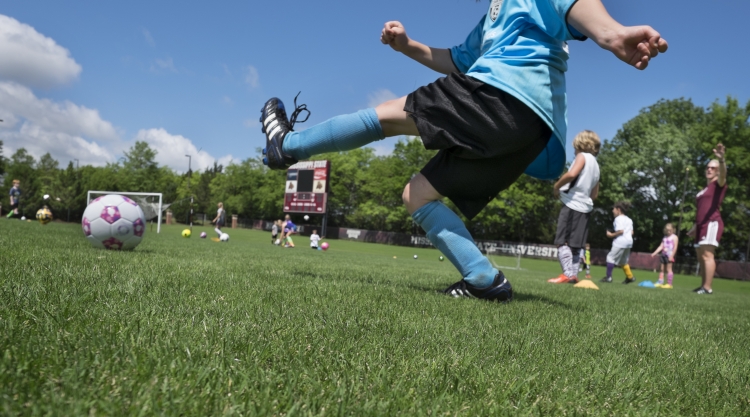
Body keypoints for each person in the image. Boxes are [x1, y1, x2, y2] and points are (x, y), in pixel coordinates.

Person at [259, 0, 667, 302]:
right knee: (416, 195)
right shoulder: (491, 18)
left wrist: (611, 34)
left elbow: (574, 4)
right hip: (523, 134)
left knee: (383, 117)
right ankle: (484, 280)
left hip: (502, 95)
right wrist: (406, 45)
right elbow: (457, 60)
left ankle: (286, 146)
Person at [548, 130, 601, 284]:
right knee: (577, 245)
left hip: (572, 205)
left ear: (580, 144)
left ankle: (567, 274)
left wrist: (557, 187)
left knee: (562, 241)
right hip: (585, 208)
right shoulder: (596, 165)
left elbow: (572, 174)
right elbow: (595, 194)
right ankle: (574, 275)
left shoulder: (582, 157)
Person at [687, 143, 727, 295]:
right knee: (700, 256)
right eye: (708, 167)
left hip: (712, 223)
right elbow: (701, 210)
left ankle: (707, 288)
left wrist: (721, 160)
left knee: (707, 255)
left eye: (713, 168)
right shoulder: (704, 190)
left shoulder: (719, 185)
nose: (709, 169)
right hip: (701, 225)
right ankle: (703, 285)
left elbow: (723, 175)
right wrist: (694, 227)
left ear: (718, 171)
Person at [601, 202, 636, 284]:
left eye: (614, 209)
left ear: (618, 210)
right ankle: (630, 277)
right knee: (623, 261)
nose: (612, 211)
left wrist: (610, 235)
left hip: (621, 241)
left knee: (610, 258)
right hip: (629, 241)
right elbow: (632, 232)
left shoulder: (618, 219)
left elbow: (620, 231)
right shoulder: (629, 219)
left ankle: (608, 278)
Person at [651, 223, 678, 289]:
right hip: (663, 255)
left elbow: (675, 247)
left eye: (670, 230)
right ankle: (660, 282)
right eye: (667, 230)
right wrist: (654, 253)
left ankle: (669, 284)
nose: (669, 232)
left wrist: (672, 256)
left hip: (669, 255)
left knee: (669, 269)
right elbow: (661, 246)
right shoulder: (664, 237)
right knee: (662, 269)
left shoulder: (674, 237)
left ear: (673, 230)